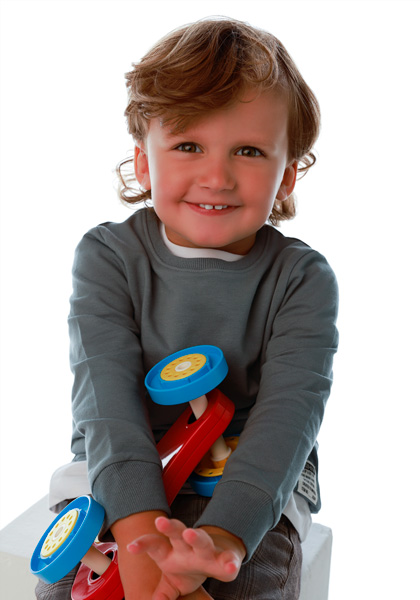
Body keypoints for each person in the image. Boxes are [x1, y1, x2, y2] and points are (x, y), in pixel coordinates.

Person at [36, 16, 339, 600]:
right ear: (144, 162)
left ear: (286, 176)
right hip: (119, 470)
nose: (216, 177)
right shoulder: (107, 256)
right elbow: (107, 409)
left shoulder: (302, 278)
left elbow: (288, 421)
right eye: (188, 146)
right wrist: (142, 548)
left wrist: (223, 542)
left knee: (250, 584)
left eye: (248, 151)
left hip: (249, 479)